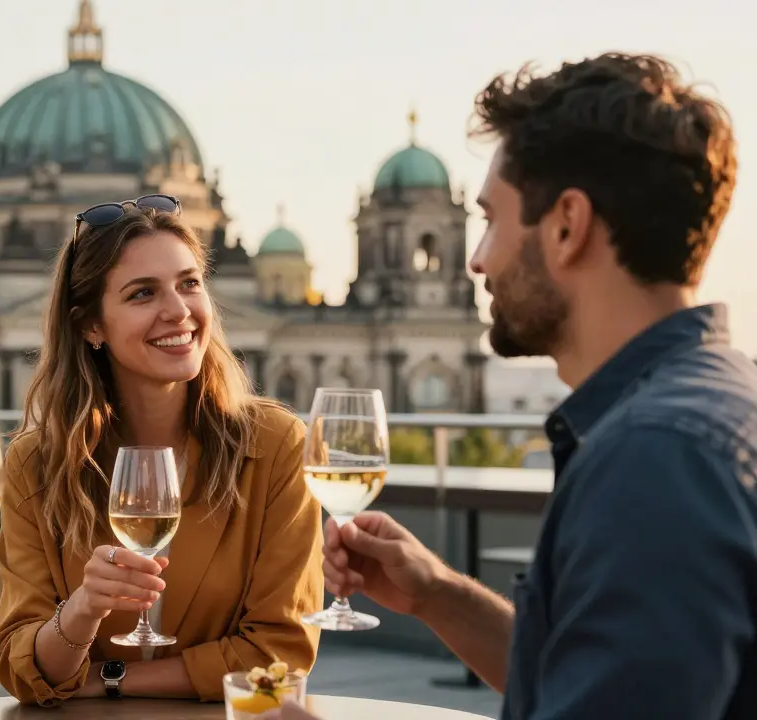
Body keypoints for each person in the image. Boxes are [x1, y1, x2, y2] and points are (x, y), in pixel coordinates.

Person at [315, 54, 756, 719]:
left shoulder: (656, 458)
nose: (477, 258)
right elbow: (597, 676)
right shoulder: (704, 402)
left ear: (566, 226)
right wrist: (439, 594)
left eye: (492, 219)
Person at [0, 196, 324, 706]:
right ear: (90, 325)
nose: (178, 311)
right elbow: (22, 667)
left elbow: (279, 655)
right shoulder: (36, 464)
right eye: (143, 293)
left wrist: (106, 679)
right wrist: (81, 611)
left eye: (189, 283)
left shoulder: (276, 446)